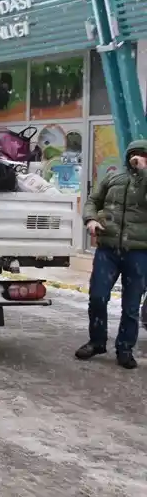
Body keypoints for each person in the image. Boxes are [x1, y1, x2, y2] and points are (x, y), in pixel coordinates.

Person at [76, 139, 147, 370]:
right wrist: (91, 219)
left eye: (143, 154)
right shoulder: (113, 177)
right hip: (108, 249)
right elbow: (93, 200)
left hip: (139, 251)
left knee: (131, 305)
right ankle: (96, 341)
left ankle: (125, 349)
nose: (137, 158)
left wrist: (144, 172)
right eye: (134, 154)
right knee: (97, 297)